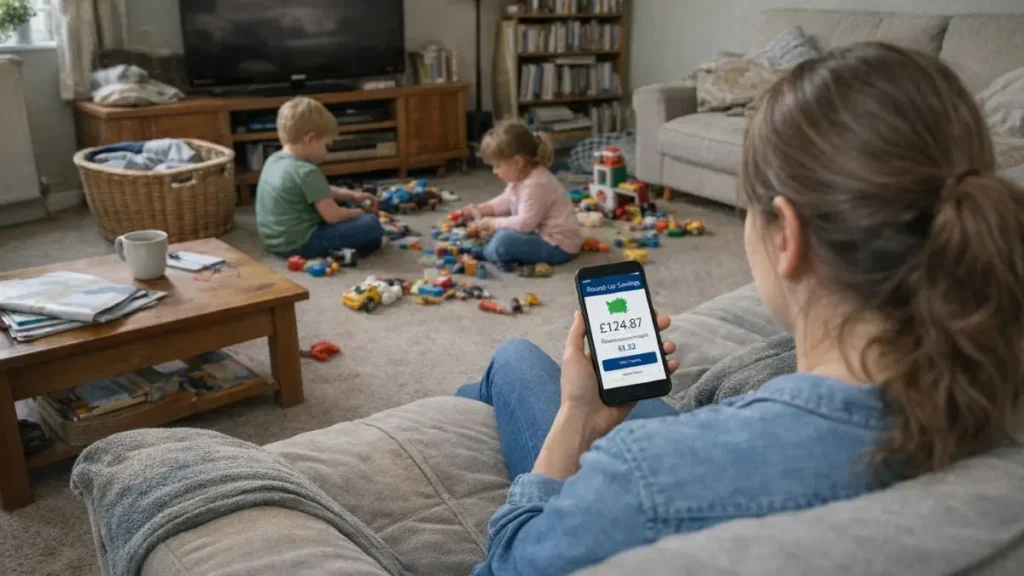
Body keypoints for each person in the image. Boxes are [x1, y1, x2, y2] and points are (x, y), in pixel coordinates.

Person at [456, 42, 1024, 575]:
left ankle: (467, 405)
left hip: (682, 464)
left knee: (513, 359)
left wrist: (576, 416)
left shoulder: (646, 474)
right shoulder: (992, 391)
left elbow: (508, 567)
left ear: (788, 237)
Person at [255, 97, 382, 259]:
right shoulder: (307, 171)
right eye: (326, 145)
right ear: (310, 139)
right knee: (371, 224)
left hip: (274, 241)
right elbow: (333, 216)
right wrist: (362, 212)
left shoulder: (273, 160)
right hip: (301, 243)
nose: (327, 152)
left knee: (346, 207)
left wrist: (352, 195)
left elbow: (316, 191)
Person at [463, 120, 583, 267]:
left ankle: (489, 253)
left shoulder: (536, 183)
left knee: (503, 241)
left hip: (558, 245)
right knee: (501, 229)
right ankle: (501, 253)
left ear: (517, 162)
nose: (494, 171)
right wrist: (480, 208)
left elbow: (525, 224)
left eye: (498, 166)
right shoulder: (520, 177)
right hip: (539, 233)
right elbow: (506, 201)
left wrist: (493, 223)